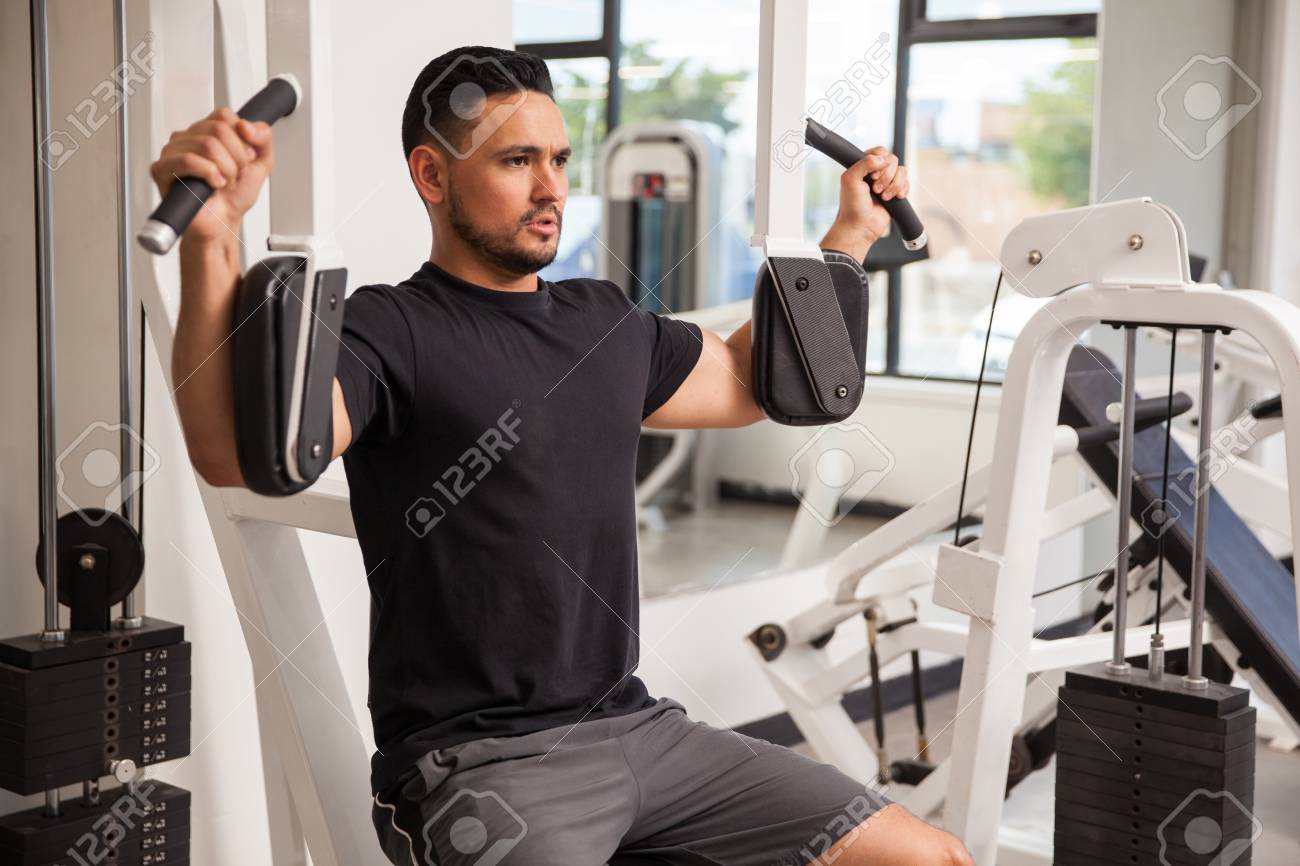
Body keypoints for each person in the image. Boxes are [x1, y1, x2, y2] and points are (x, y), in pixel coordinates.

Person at [151, 43, 971, 866]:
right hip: (480, 768)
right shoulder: (388, 329)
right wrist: (213, 241)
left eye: (559, 160)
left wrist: (848, 239)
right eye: (517, 161)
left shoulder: (603, 321)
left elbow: (753, 382)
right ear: (432, 177)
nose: (552, 189)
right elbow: (232, 453)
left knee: (930, 857)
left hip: (643, 732)